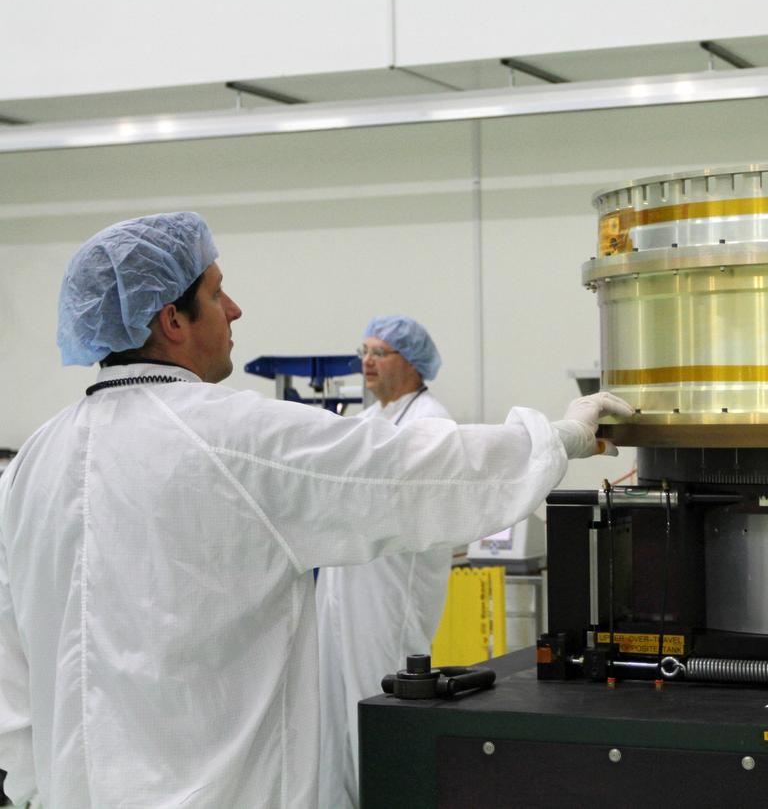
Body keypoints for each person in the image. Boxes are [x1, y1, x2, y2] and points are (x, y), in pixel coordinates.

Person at [0, 213, 632, 808]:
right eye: (218, 294)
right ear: (172, 319)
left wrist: (29, 782)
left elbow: (10, 650)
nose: (236, 309)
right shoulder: (235, 438)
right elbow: (404, 470)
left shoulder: (34, 461)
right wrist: (558, 438)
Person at [316, 314, 456, 809]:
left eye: (381, 352)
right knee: (337, 706)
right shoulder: (366, 421)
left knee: (377, 694)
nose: (367, 362)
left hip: (391, 592)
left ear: (412, 363)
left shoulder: (430, 423)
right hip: (346, 587)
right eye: (365, 351)